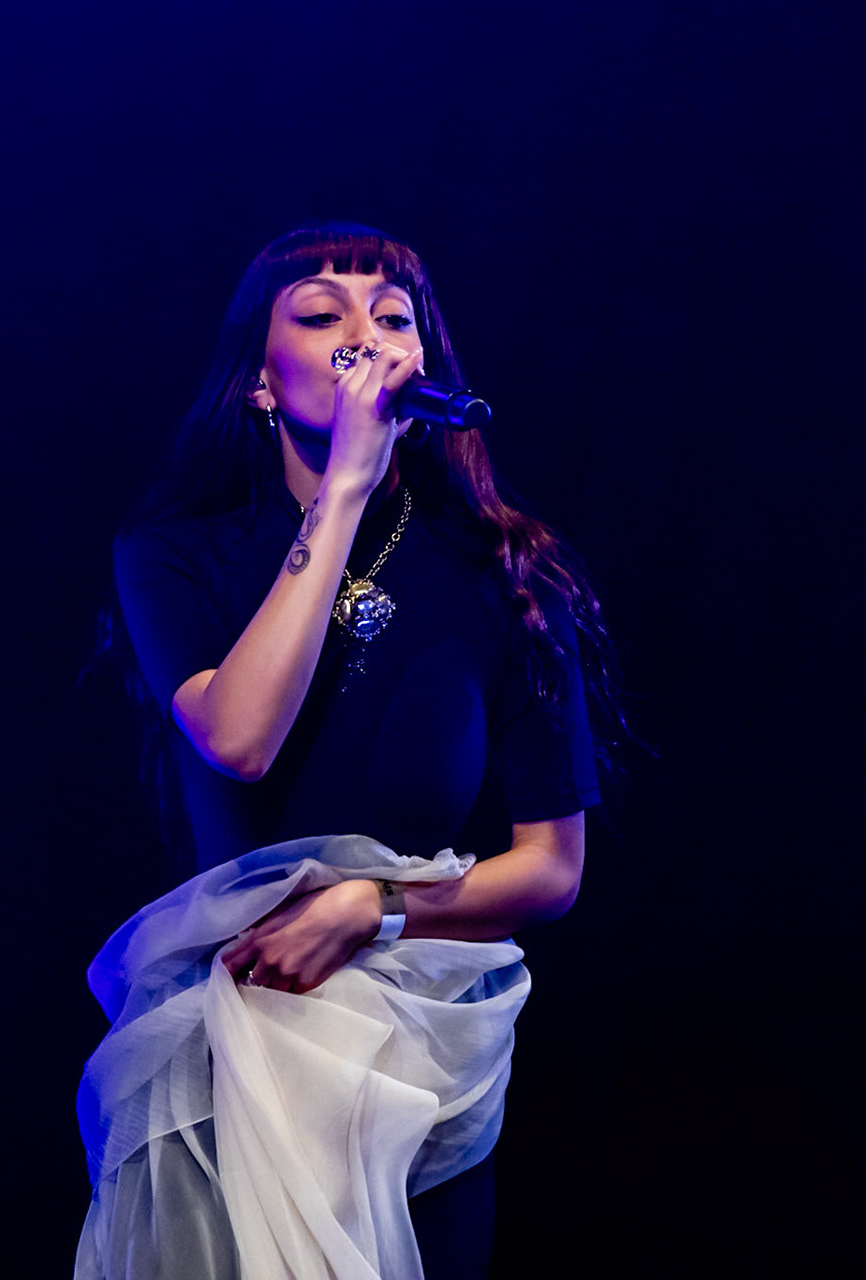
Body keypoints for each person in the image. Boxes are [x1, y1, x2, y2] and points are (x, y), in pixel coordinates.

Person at [78, 224, 617, 1280]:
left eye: (394, 317)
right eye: (323, 315)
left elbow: (551, 865)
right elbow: (238, 736)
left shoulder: (508, 575)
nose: (363, 336)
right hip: (238, 1045)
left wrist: (372, 903)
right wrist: (342, 496)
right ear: (260, 385)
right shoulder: (175, 554)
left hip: (420, 1061)